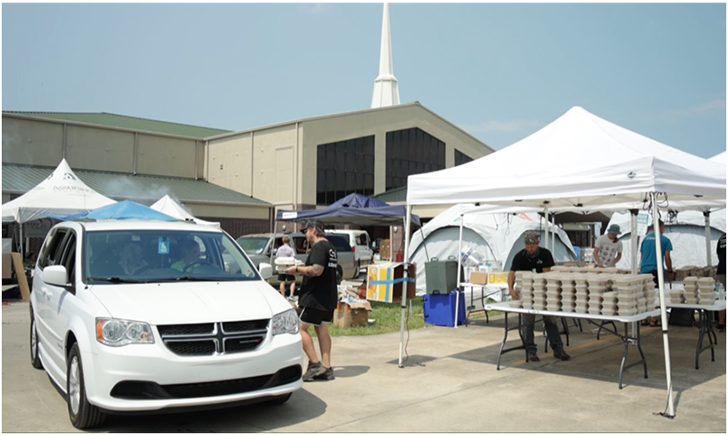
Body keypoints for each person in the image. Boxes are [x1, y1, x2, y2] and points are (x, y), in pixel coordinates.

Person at [284, 219, 338, 381]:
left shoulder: (319, 247)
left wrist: (296, 269)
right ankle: (326, 368)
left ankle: (315, 364)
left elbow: (317, 270)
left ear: (313, 230)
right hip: (328, 297)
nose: (305, 235)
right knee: (322, 330)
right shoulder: (331, 248)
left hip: (315, 297)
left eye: (306, 231)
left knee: (299, 328)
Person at [508, 231, 571, 362]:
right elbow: (511, 274)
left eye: (532, 247)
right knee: (527, 323)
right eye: (528, 246)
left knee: (550, 321)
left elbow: (547, 275)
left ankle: (558, 349)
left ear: (538, 244)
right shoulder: (520, 256)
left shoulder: (545, 254)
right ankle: (531, 350)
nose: (530, 249)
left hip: (544, 294)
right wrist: (511, 289)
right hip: (526, 295)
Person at [639, 219, 674, 327]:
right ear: (661, 227)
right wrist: (670, 271)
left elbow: (642, 256)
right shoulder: (665, 240)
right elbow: (667, 257)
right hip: (655, 270)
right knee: (656, 295)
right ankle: (654, 319)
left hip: (644, 269)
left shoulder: (645, 239)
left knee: (645, 294)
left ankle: (644, 318)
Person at [276, 236, 297, 300]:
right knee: (292, 281)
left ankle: (283, 296)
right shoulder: (290, 249)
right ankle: (291, 295)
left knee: (282, 282)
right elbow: (292, 258)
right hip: (288, 267)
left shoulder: (279, 249)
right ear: (289, 241)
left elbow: (277, 257)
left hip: (281, 267)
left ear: (283, 241)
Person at [716, 233, 726, 332]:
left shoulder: (722, 237)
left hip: (720, 272)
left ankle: (721, 323)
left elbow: (718, 254)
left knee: (721, 297)